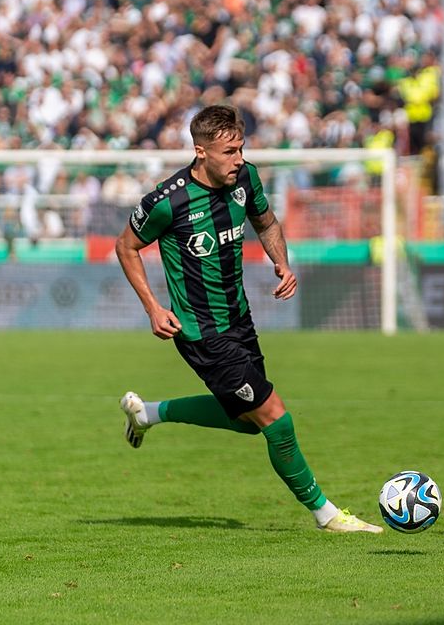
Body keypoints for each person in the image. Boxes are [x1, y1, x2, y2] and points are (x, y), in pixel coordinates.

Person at [114, 104, 382, 534]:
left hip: (240, 320)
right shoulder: (168, 201)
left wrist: (282, 262)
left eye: (241, 148)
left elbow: (267, 221)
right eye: (229, 152)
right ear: (201, 152)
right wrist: (153, 307)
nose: (239, 159)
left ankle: (149, 414)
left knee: (245, 422)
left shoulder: (246, 179)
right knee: (275, 417)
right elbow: (126, 246)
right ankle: (327, 515)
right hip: (201, 332)